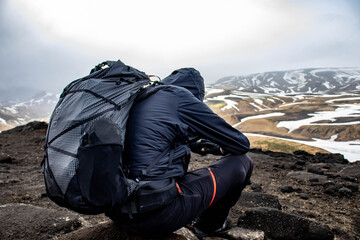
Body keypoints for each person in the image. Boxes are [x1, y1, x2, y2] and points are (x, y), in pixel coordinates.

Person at [107, 68, 253, 237]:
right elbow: (241, 144)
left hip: (118, 210)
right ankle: (209, 226)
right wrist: (221, 144)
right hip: (156, 215)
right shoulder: (179, 96)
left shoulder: (140, 98)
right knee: (242, 161)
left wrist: (207, 146)